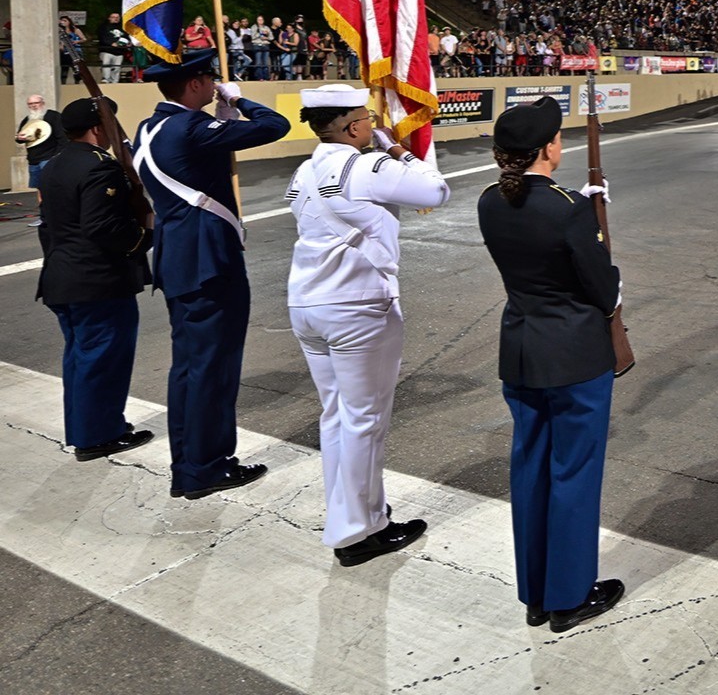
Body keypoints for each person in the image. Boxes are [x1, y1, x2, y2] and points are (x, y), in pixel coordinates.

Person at [476, 95, 625, 633]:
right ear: (547, 149)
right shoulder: (569, 209)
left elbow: (535, 230)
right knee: (574, 474)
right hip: (575, 356)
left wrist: (581, 210)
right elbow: (600, 287)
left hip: (521, 352)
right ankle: (569, 596)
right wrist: (590, 221)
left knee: (532, 471)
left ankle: (537, 594)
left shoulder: (490, 200)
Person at [286, 85, 451, 566]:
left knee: (337, 417)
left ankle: (353, 516)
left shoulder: (302, 170)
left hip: (307, 304)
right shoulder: (368, 165)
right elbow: (436, 190)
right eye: (368, 119)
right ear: (356, 127)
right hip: (357, 306)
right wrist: (398, 149)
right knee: (364, 421)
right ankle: (359, 531)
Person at [132, 48, 290, 499]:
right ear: (196, 85)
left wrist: (220, 116)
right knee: (213, 369)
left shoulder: (150, 128)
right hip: (208, 263)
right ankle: (207, 466)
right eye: (210, 81)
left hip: (179, 261)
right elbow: (275, 127)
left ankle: (189, 464)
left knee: (188, 368)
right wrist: (238, 103)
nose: (214, 85)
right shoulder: (190, 126)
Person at [36, 96, 154, 462]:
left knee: (81, 359)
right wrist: (143, 237)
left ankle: (92, 426)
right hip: (97, 281)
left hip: (62, 276)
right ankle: (97, 436)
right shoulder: (101, 167)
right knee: (104, 359)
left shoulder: (53, 165)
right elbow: (102, 226)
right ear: (98, 128)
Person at [16, 94, 68, 222]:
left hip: (49, 157)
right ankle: (44, 216)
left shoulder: (53, 117)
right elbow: (20, 138)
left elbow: (62, 138)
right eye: (30, 104)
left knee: (51, 187)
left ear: (42, 103)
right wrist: (19, 138)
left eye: (36, 103)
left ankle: (57, 216)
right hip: (34, 159)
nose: (34, 106)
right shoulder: (27, 120)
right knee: (40, 188)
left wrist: (57, 155)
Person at [98, 13, 133, 85]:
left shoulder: (122, 28)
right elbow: (102, 37)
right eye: (113, 17)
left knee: (117, 68)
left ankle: (115, 82)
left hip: (119, 51)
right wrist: (111, 43)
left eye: (117, 17)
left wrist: (128, 43)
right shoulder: (104, 27)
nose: (115, 18)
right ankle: (106, 79)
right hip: (107, 50)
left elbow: (127, 37)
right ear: (109, 18)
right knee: (106, 65)